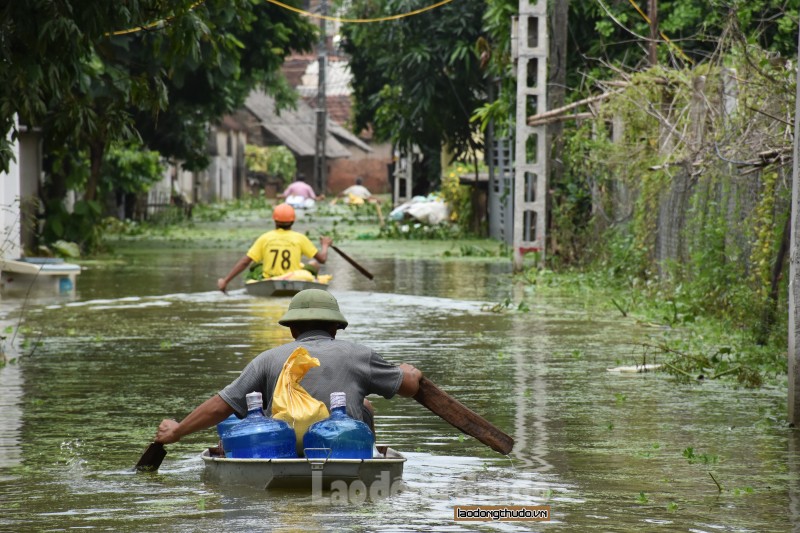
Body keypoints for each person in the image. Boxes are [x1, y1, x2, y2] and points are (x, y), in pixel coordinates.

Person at [154, 289, 423, 445]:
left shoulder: (268, 358)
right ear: (335, 328)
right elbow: (409, 386)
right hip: (342, 447)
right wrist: (409, 372)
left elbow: (221, 405)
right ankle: (368, 456)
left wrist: (177, 431)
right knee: (365, 407)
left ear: (292, 329)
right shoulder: (359, 354)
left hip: (282, 448)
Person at [217, 203, 331, 293]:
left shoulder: (265, 238)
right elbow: (322, 259)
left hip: (269, 280)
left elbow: (245, 262)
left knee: (255, 265)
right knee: (314, 264)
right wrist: (325, 245)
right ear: (293, 221)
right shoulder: (300, 238)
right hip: (293, 278)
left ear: (274, 220)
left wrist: (225, 281)